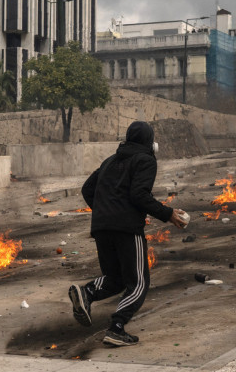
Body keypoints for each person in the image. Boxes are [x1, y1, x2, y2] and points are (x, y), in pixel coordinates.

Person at [69, 121, 188, 347]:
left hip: (102, 227)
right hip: (126, 229)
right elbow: (139, 195)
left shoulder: (109, 161)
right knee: (138, 283)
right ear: (149, 142)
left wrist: (106, 211)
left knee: (116, 279)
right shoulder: (146, 160)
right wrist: (169, 214)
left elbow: (87, 189)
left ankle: (86, 292)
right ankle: (117, 327)